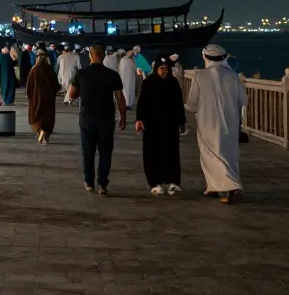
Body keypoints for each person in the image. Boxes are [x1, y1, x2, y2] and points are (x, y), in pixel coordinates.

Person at [186, 44, 246, 203]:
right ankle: (214, 186)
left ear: (205, 57)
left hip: (207, 121)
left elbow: (192, 101)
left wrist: (194, 110)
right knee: (229, 153)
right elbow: (243, 100)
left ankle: (232, 186)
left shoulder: (200, 75)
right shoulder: (233, 76)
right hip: (231, 121)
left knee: (211, 153)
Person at [68, 44, 127, 194]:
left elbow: (72, 94)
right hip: (107, 118)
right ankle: (102, 183)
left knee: (88, 151)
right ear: (103, 56)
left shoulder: (81, 74)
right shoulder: (112, 75)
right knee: (105, 151)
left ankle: (89, 182)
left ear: (90, 55)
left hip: (87, 117)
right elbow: (120, 97)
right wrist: (123, 116)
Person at [136, 54, 185, 196]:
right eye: (161, 69)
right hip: (152, 125)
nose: (164, 72)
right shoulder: (148, 82)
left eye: (166, 69)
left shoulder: (173, 82)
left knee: (171, 152)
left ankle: (173, 182)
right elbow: (142, 103)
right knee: (153, 153)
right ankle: (156, 182)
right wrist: (140, 120)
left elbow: (178, 103)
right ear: (156, 69)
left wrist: (181, 121)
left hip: (170, 124)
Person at [26, 50, 59, 144]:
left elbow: (29, 87)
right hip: (48, 99)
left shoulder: (33, 70)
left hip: (36, 99)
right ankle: (45, 134)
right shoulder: (49, 70)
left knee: (37, 116)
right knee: (47, 118)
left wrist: (30, 97)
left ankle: (40, 131)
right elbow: (55, 85)